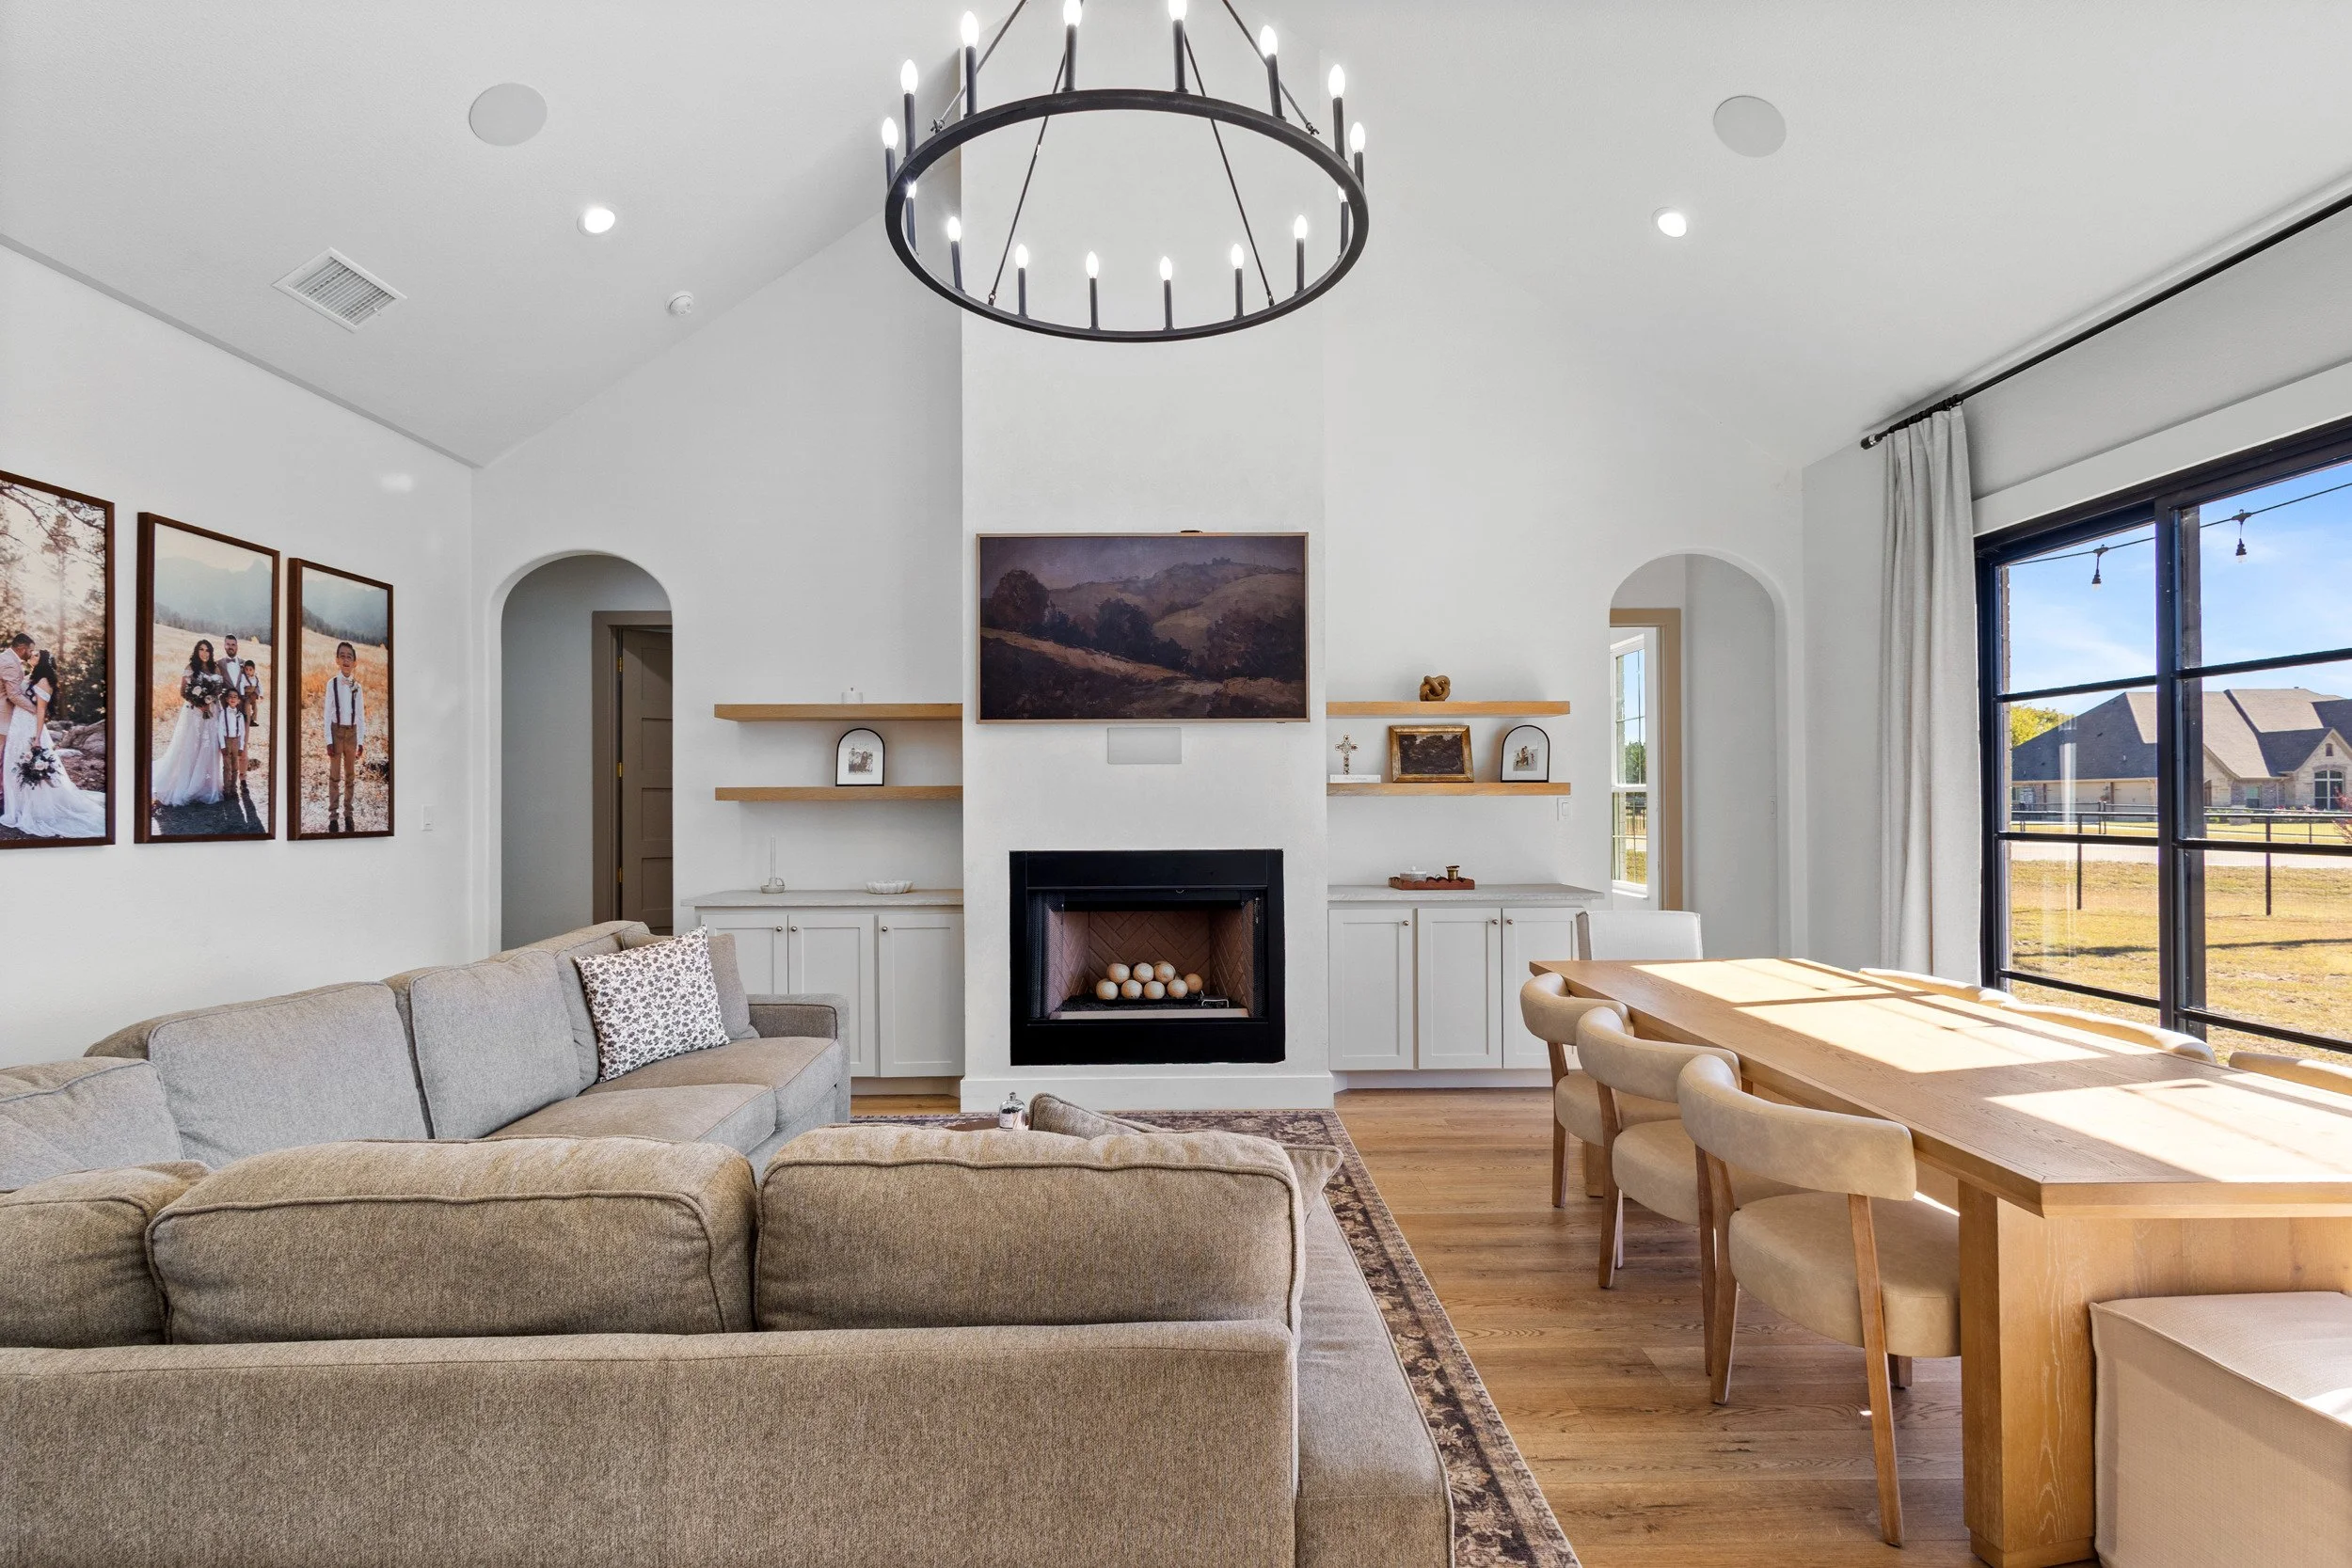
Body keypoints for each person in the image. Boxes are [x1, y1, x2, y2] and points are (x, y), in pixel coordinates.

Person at [0, 649, 105, 839]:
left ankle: (37, 810)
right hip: (17, 724)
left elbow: (41, 711)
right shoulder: (31, 676)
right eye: (31, 653)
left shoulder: (44, 681)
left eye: (35, 655)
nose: (31, 656)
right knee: (12, 765)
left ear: (43, 661)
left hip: (31, 728)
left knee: (28, 766)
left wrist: (38, 738)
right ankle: (18, 806)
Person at [151, 639, 226, 809]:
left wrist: (210, 698)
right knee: (191, 745)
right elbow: (183, 691)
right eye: (201, 649)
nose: (204, 653)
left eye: (207, 650)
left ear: (211, 652)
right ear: (197, 651)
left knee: (209, 746)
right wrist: (199, 703)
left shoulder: (216, 668)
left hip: (213, 711)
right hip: (194, 713)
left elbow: (219, 690)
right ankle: (187, 782)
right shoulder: (191, 667)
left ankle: (205, 785)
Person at [321, 640, 366, 830]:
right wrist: (329, 740)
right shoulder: (331, 684)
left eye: (350, 657)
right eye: (342, 656)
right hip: (336, 732)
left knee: (350, 776)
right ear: (337, 660)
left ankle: (348, 814)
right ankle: (333, 816)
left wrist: (361, 741)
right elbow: (326, 714)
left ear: (354, 662)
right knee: (334, 776)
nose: (346, 660)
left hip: (352, 734)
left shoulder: (358, 687)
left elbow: (361, 716)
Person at [0, 632, 34, 820]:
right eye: (30, 649)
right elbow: (13, 695)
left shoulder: (6, 658)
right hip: (2, 717)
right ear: (22, 648)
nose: (31, 653)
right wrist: (35, 710)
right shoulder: (9, 663)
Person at [219, 685, 248, 797]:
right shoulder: (223, 713)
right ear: (226, 699)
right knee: (227, 766)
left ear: (238, 700)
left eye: (235, 697)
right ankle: (226, 790)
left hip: (236, 741)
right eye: (230, 696)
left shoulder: (240, 715)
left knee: (235, 766)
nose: (232, 698)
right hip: (226, 741)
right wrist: (222, 745)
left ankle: (233, 789)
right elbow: (220, 730)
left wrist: (241, 747)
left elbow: (242, 732)